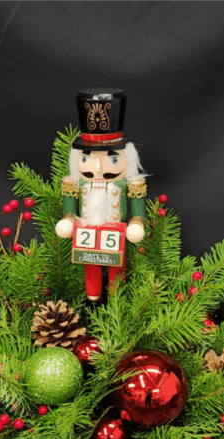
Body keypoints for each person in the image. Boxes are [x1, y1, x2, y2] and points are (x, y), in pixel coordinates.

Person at [55, 88, 147, 301]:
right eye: (86, 158)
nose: (98, 168)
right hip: (87, 235)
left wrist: (136, 224)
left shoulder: (129, 184)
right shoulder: (75, 183)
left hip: (115, 235)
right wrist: (68, 220)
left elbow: (138, 211)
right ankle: (93, 299)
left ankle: (117, 302)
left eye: (112, 159)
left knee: (117, 269)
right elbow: (70, 209)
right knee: (91, 268)